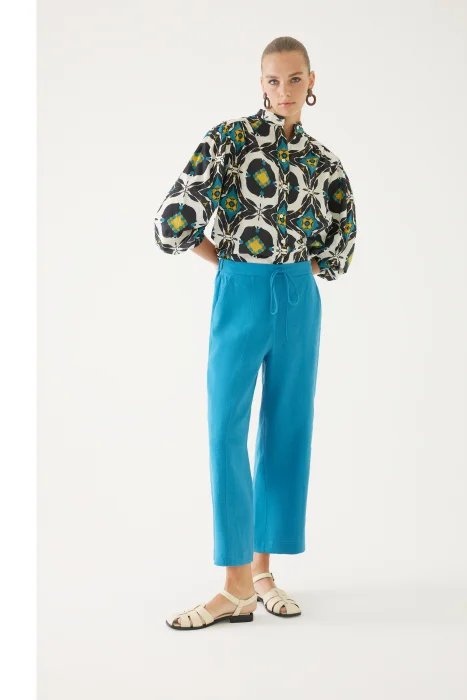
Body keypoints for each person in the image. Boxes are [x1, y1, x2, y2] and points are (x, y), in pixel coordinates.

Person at [154, 36, 357, 630]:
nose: (284, 91)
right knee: (226, 429)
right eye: (273, 80)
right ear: (260, 82)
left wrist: (293, 272)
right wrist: (230, 265)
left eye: (295, 79)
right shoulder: (228, 141)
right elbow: (173, 220)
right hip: (240, 288)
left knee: (287, 428)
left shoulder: (324, 163)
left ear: (311, 82)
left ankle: (262, 575)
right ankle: (235, 585)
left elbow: (339, 245)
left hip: (297, 296)